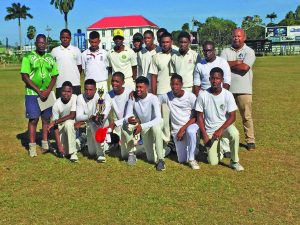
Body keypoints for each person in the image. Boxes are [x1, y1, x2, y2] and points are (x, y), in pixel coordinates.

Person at [194, 67, 244, 171]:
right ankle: (218, 149)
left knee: (234, 133)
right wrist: (205, 135)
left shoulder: (227, 94)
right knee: (213, 163)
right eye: (212, 78)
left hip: (224, 128)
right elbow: (199, 116)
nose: (214, 81)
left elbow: (232, 116)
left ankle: (234, 161)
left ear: (222, 80)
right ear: (209, 79)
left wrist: (220, 130)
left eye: (217, 78)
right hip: (210, 130)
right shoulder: (203, 95)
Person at [21, 34, 59, 157]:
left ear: (46, 44)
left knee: (46, 119)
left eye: (44, 43)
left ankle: (44, 142)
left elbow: (54, 75)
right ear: (36, 44)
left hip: (47, 93)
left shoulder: (50, 57)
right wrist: (38, 90)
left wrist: (48, 90)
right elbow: (24, 76)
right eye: (40, 43)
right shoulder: (28, 57)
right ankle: (32, 146)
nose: (42, 45)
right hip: (32, 93)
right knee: (33, 119)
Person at [193, 40, 232, 158]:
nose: (207, 53)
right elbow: (196, 84)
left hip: (220, 95)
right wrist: (200, 98)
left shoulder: (222, 62)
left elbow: (227, 82)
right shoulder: (200, 64)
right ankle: (206, 143)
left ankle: (225, 148)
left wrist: (221, 96)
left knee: (222, 119)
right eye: (205, 50)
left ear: (214, 50)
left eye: (209, 50)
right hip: (205, 97)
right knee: (203, 121)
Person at [220, 28, 256, 151]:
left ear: (244, 38)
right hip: (227, 89)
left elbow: (245, 68)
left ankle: (250, 140)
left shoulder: (249, 51)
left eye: (239, 36)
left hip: (244, 90)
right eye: (234, 36)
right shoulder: (225, 50)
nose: (236, 38)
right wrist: (237, 62)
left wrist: (229, 65)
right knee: (229, 117)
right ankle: (231, 140)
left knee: (246, 116)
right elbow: (221, 66)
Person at [123, 76, 166, 171]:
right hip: (144, 127)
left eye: (141, 87)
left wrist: (141, 126)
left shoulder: (153, 98)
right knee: (150, 159)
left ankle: (161, 160)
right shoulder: (133, 97)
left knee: (156, 128)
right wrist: (129, 119)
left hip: (156, 124)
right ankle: (165, 150)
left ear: (147, 88)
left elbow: (158, 118)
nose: (138, 89)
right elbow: (128, 115)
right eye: (137, 87)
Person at [159, 74, 200, 169]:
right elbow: (154, 100)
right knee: (182, 159)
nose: (174, 87)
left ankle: (192, 159)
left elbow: (196, 117)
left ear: (182, 84)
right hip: (177, 131)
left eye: (177, 84)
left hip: (190, 126)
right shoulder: (168, 96)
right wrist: (136, 94)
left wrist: (183, 129)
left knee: (190, 131)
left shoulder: (191, 96)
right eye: (172, 84)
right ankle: (176, 148)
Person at [149, 32, 177, 145]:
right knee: (165, 120)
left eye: (167, 42)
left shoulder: (177, 55)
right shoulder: (156, 57)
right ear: (160, 43)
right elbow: (153, 76)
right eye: (163, 42)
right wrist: (154, 94)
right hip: (162, 92)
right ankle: (166, 142)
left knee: (176, 119)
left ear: (172, 42)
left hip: (176, 92)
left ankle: (177, 141)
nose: (165, 44)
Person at [102, 72, 133, 159]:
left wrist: (114, 124)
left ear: (123, 82)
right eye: (112, 81)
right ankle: (114, 141)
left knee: (129, 152)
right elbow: (105, 110)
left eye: (117, 81)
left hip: (132, 124)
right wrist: (99, 117)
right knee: (123, 155)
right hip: (120, 124)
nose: (114, 83)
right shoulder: (109, 94)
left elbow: (130, 116)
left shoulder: (130, 92)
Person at [76, 79, 107, 162]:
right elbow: (78, 117)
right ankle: (84, 139)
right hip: (89, 126)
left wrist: (94, 118)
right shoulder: (80, 97)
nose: (88, 92)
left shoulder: (100, 97)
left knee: (95, 124)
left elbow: (99, 117)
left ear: (95, 90)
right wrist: (90, 117)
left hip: (101, 126)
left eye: (91, 90)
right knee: (91, 152)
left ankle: (101, 153)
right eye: (86, 89)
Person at [48, 81, 78, 162]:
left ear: (72, 92)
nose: (66, 93)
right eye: (64, 91)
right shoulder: (56, 104)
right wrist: (59, 144)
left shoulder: (74, 98)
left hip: (72, 127)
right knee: (65, 151)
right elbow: (55, 127)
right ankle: (81, 140)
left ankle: (73, 154)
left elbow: (72, 115)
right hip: (61, 129)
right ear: (61, 91)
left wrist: (55, 121)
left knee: (68, 123)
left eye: (68, 91)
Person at [51, 29, 82, 98]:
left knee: (75, 106)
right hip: (60, 84)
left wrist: (74, 76)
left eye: (67, 38)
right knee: (61, 107)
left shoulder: (76, 50)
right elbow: (52, 68)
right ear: (60, 38)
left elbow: (79, 67)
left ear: (70, 38)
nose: (65, 39)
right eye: (63, 37)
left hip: (75, 84)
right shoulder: (54, 51)